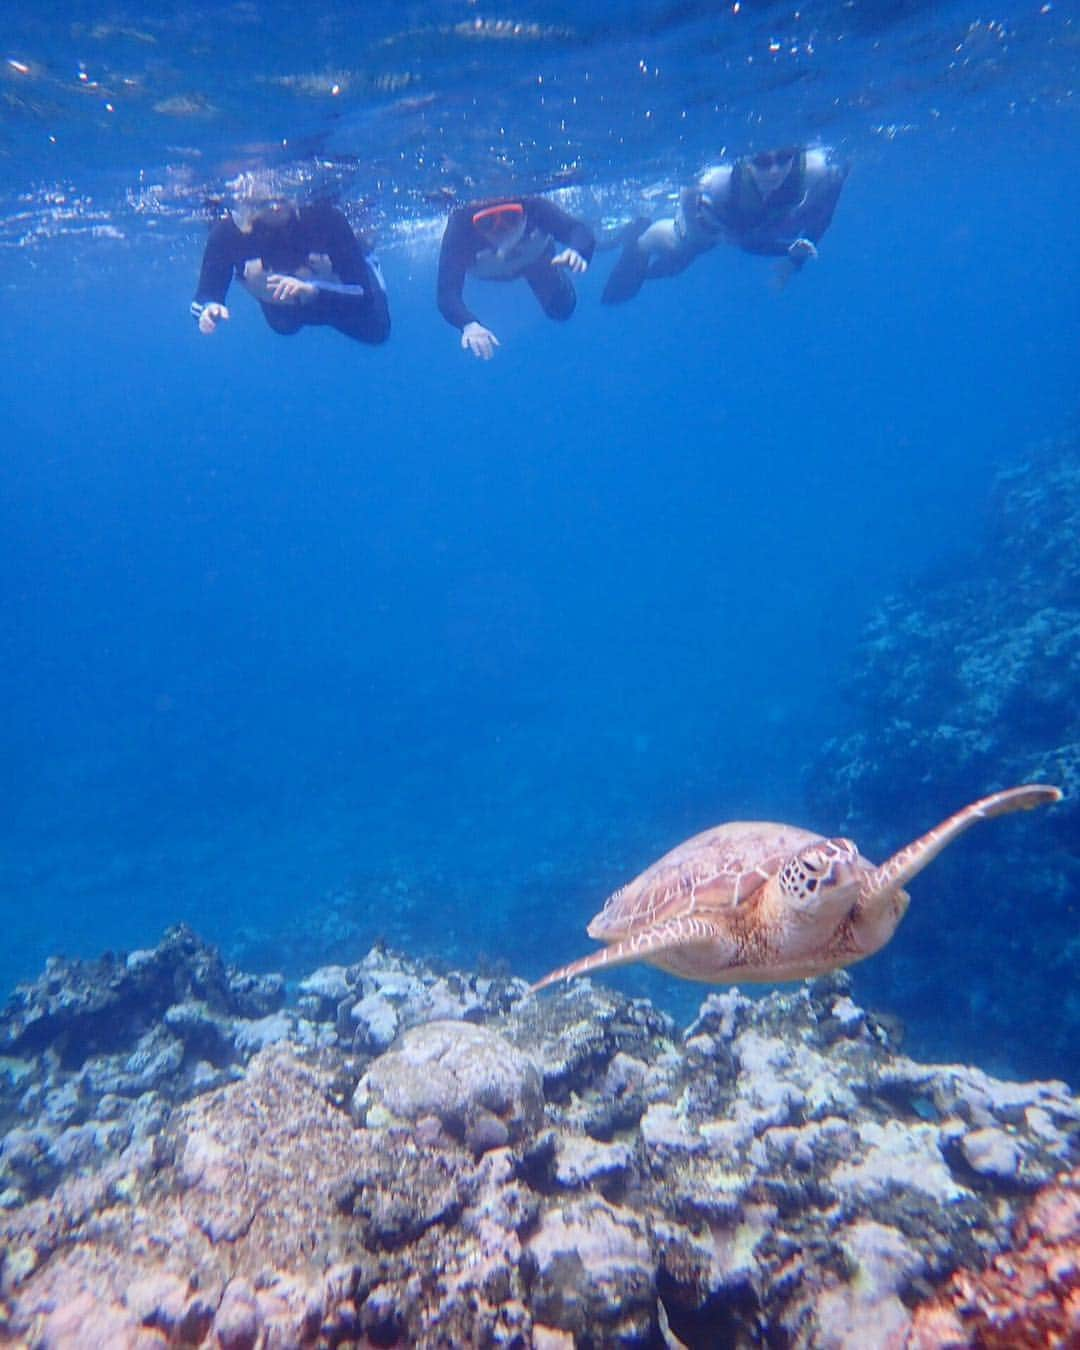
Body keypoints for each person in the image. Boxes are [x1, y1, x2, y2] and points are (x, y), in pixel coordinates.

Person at [601, 146, 847, 304]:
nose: (774, 171)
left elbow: (822, 217)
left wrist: (795, 261)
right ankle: (637, 236)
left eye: (784, 159)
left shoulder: (815, 171)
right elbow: (691, 197)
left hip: (757, 223)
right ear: (747, 162)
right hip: (710, 223)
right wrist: (699, 236)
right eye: (762, 161)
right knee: (680, 253)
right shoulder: (719, 183)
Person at [191, 196, 390, 344]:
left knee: (377, 331)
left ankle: (365, 253)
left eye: (281, 198)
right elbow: (204, 295)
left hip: (334, 298)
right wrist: (209, 309)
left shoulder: (326, 218)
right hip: (283, 309)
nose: (276, 207)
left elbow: (363, 297)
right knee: (283, 327)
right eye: (264, 202)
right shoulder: (227, 232)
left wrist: (313, 290)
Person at [436, 197, 595, 360]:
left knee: (561, 308)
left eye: (510, 217)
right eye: (487, 222)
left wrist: (579, 251)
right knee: (558, 302)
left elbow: (578, 230)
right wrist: (468, 324)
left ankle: (549, 274)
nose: (501, 229)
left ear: (524, 215)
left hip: (537, 260)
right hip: (517, 265)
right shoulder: (460, 226)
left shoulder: (535, 208)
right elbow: (447, 293)